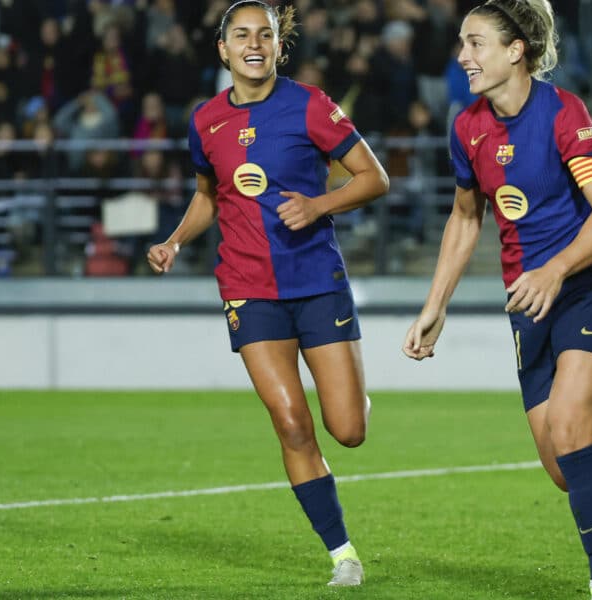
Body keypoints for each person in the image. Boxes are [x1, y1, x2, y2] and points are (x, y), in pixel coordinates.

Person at [401, 2, 592, 599]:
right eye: (463, 43)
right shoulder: (467, 128)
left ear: (516, 50)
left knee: (570, 429)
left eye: (476, 43)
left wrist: (557, 268)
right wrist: (436, 304)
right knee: (567, 467)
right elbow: (465, 218)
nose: (463, 56)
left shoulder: (564, 113)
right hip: (530, 302)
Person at [146, 1, 389, 588]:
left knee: (349, 429)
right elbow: (211, 195)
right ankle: (343, 556)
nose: (253, 44)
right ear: (223, 49)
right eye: (241, 35)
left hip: (315, 282)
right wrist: (176, 239)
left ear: (280, 47)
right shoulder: (205, 120)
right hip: (248, 289)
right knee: (290, 423)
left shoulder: (310, 105)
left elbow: (374, 177)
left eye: (265, 35)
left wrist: (318, 205)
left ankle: (350, 390)